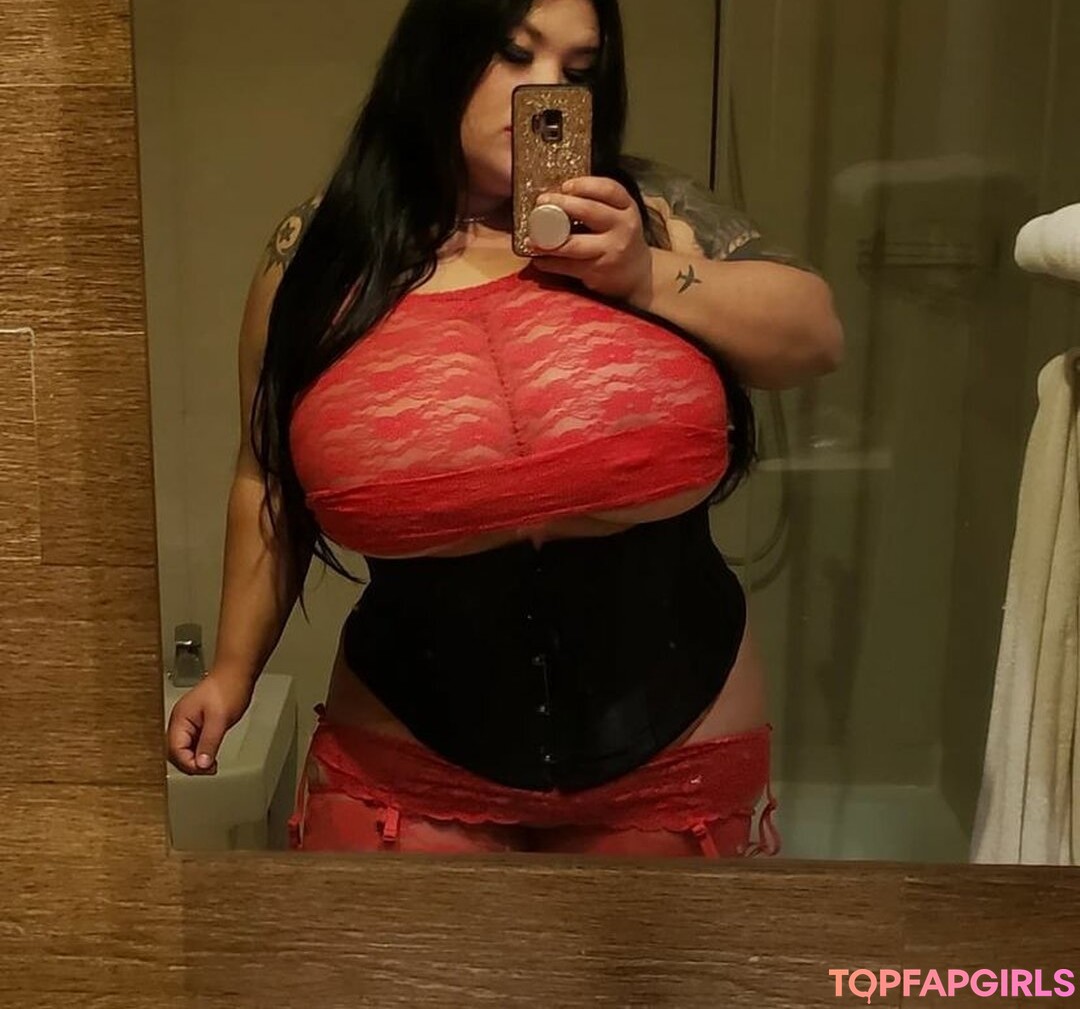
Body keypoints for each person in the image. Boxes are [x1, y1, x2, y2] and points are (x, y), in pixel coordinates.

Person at [167, 0, 843, 858]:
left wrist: (644, 275)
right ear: (437, 54)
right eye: (516, 54)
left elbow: (815, 334)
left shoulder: (648, 211)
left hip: (677, 745)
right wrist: (232, 672)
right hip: (408, 754)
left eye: (578, 69)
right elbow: (264, 477)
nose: (547, 89)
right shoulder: (319, 254)